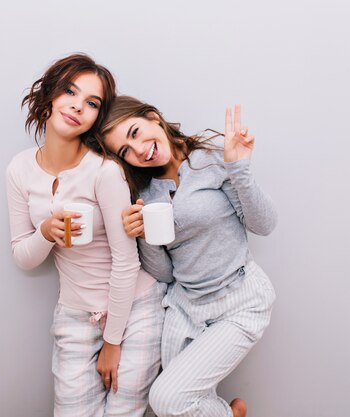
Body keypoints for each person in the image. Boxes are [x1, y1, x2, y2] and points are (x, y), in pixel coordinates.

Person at [96, 96, 277, 417]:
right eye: (125, 150)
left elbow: (264, 225)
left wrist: (239, 169)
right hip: (185, 307)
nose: (138, 149)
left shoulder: (212, 162)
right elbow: (165, 274)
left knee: (167, 399)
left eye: (135, 132)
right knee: (178, 406)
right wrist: (142, 236)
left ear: (154, 118)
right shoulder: (146, 193)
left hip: (239, 300)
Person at [5, 56, 165, 417]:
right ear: (49, 96)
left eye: (92, 103)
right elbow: (22, 256)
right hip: (75, 316)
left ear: (96, 117)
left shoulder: (104, 171)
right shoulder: (19, 169)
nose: (78, 105)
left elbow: (126, 262)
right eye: (70, 91)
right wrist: (46, 233)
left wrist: (113, 342)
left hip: (135, 309)